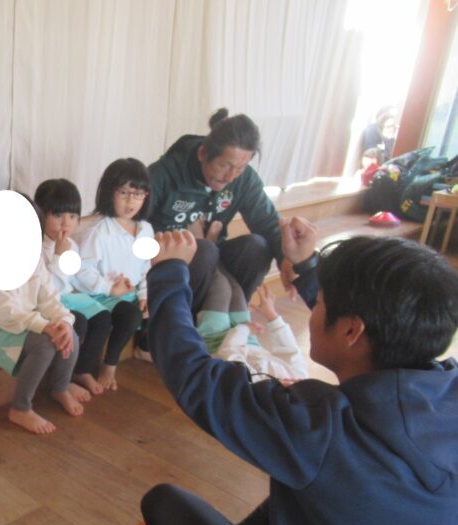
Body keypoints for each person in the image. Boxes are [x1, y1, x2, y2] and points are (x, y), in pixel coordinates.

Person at [135, 222, 458, 525]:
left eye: (320, 301)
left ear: (352, 330)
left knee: (164, 505)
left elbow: (192, 377)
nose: (313, 306)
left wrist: (169, 273)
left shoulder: (318, 426)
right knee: (304, 485)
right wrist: (307, 267)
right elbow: (367, 329)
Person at [146, 108, 302, 314]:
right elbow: (130, 229)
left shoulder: (244, 180)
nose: (231, 177)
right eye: (224, 166)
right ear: (203, 154)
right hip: (165, 259)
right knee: (204, 250)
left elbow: (269, 224)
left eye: (240, 168)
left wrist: (287, 259)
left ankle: (231, 319)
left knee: (256, 247)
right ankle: (181, 320)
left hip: (212, 256)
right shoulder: (163, 174)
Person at [0, 208, 88, 435]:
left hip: (25, 318)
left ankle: (61, 387)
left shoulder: (33, 260)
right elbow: (5, 312)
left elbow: (49, 297)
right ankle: (20, 408)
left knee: (69, 333)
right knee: (44, 345)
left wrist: (62, 320)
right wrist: (44, 326)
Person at [75, 158, 155, 390]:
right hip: (99, 296)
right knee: (120, 317)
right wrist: (109, 288)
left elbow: (146, 267)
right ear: (109, 192)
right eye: (123, 193)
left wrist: (144, 294)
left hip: (128, 295)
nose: (131, 201)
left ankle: (112, 363)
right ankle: (87, 369)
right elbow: (82, 271)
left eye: (138, 194)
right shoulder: (99, 232)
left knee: (143, 311)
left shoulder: (146, 229)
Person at [35, 178, 113, 396]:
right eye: (58, 215)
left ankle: (82, 369)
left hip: (68, 296)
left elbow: (76, 277)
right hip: (47, 301)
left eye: (72, 216)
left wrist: (106, 283)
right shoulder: (36, 247)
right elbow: (47, 288)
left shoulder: (72, 244)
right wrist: (59, 254)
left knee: (103, 317)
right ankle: (63, 380)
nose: (65, 223)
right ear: (40, 214)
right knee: (78, 322)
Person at [197, 271, 309, 384]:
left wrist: (245, 329)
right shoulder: (299, 379)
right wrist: (271, 315)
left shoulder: (257, 385)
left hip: (216, 344)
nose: (293, 380)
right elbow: (291, 351)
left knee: (220, 286)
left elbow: (229, 354)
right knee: (236, 291)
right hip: (247, 341)